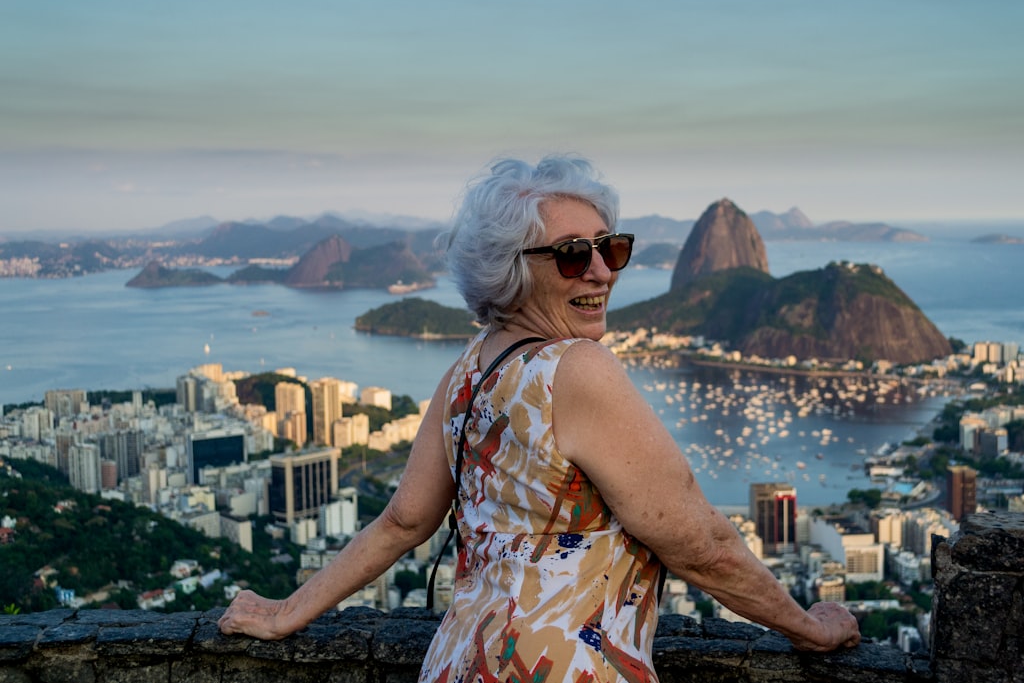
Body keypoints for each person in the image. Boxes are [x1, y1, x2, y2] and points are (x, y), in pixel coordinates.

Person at [218, 155, 860, 681]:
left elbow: (404, 520)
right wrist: (809, 626)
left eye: (612, 248)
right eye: (574, 255)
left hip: (457, 666)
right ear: (510, 269)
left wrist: (284, 613)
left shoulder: (469, 368)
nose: (603, 271)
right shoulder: (578, 369)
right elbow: (702, 546)